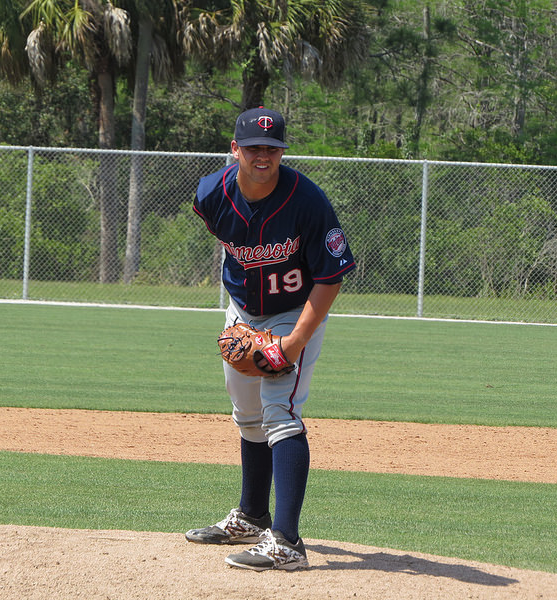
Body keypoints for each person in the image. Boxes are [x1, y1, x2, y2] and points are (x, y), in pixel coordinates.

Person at [185, 107, 356, 571]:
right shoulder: (209, 195)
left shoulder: (308, 201)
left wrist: (293, 343)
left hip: (294, 313)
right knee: (246, 412)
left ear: (282, 152)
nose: (264, 155)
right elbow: (232, 253)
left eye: (273, 148)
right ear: (235, 150)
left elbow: (331, 277)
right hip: (242, 311)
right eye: (255, 147)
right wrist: (239, 319)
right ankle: (253, 516)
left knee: (280, 411)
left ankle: (287, 542)